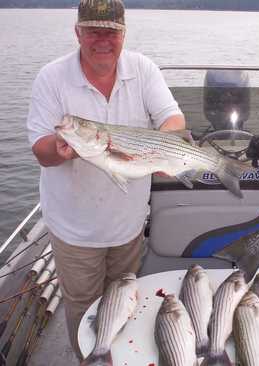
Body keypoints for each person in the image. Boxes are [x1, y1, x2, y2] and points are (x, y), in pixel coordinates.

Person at [26, 0, 185, 359]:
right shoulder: (52, 78)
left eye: (111, 32)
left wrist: (163, 149)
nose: (102, 39)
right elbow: (40, 150)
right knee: (83, 311)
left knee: (123, 302)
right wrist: (59, 147)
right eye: (93, 30)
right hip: (74, 230)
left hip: (128, 226)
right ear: (77, 32)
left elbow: (173, 119)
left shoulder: (142, 69)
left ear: (123, 33)